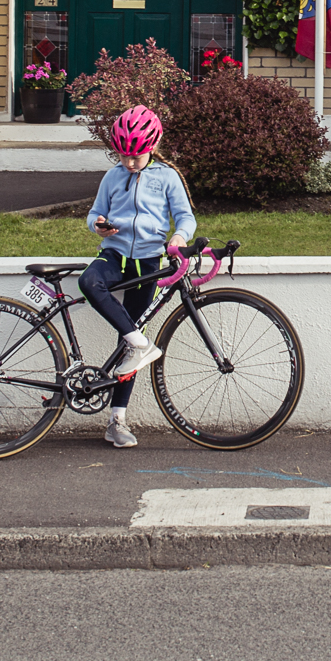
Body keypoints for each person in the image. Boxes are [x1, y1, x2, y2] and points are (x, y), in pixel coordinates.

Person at [81, 104, 197, 449]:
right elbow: (94, 213)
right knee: (89, 283)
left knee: (126, 343)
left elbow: (185, 217)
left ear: (152, 147)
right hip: (114, 256)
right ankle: (142, 343)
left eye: (136, 156)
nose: (129, 162)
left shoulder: (166, 176)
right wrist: (99, 226)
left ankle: (117, 419)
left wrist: (179, 238)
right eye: (123, 155)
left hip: (148, 263)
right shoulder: (113, 176)